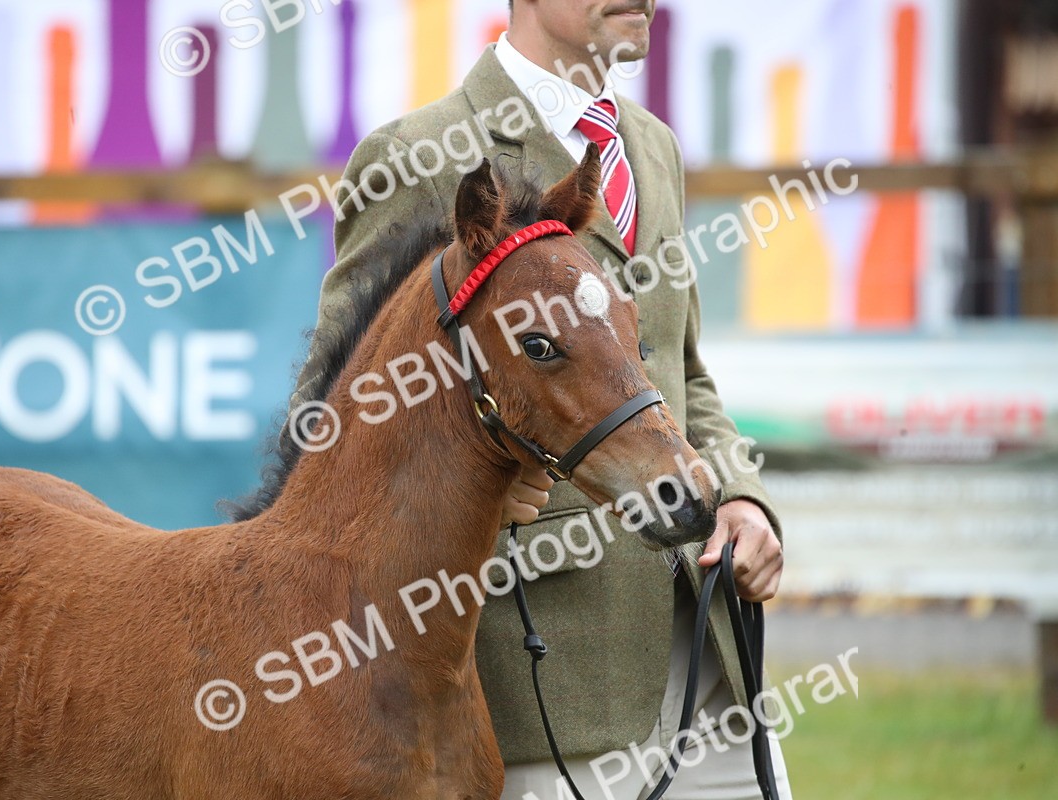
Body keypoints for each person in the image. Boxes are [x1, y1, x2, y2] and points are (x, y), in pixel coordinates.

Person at [284, 2, 792, 797]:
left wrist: (743, 496)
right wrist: (489, 482)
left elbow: (677, 371)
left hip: (711, 660)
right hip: (543, 685)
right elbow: (332, 422)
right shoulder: (417, 153)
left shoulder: (653, 145)